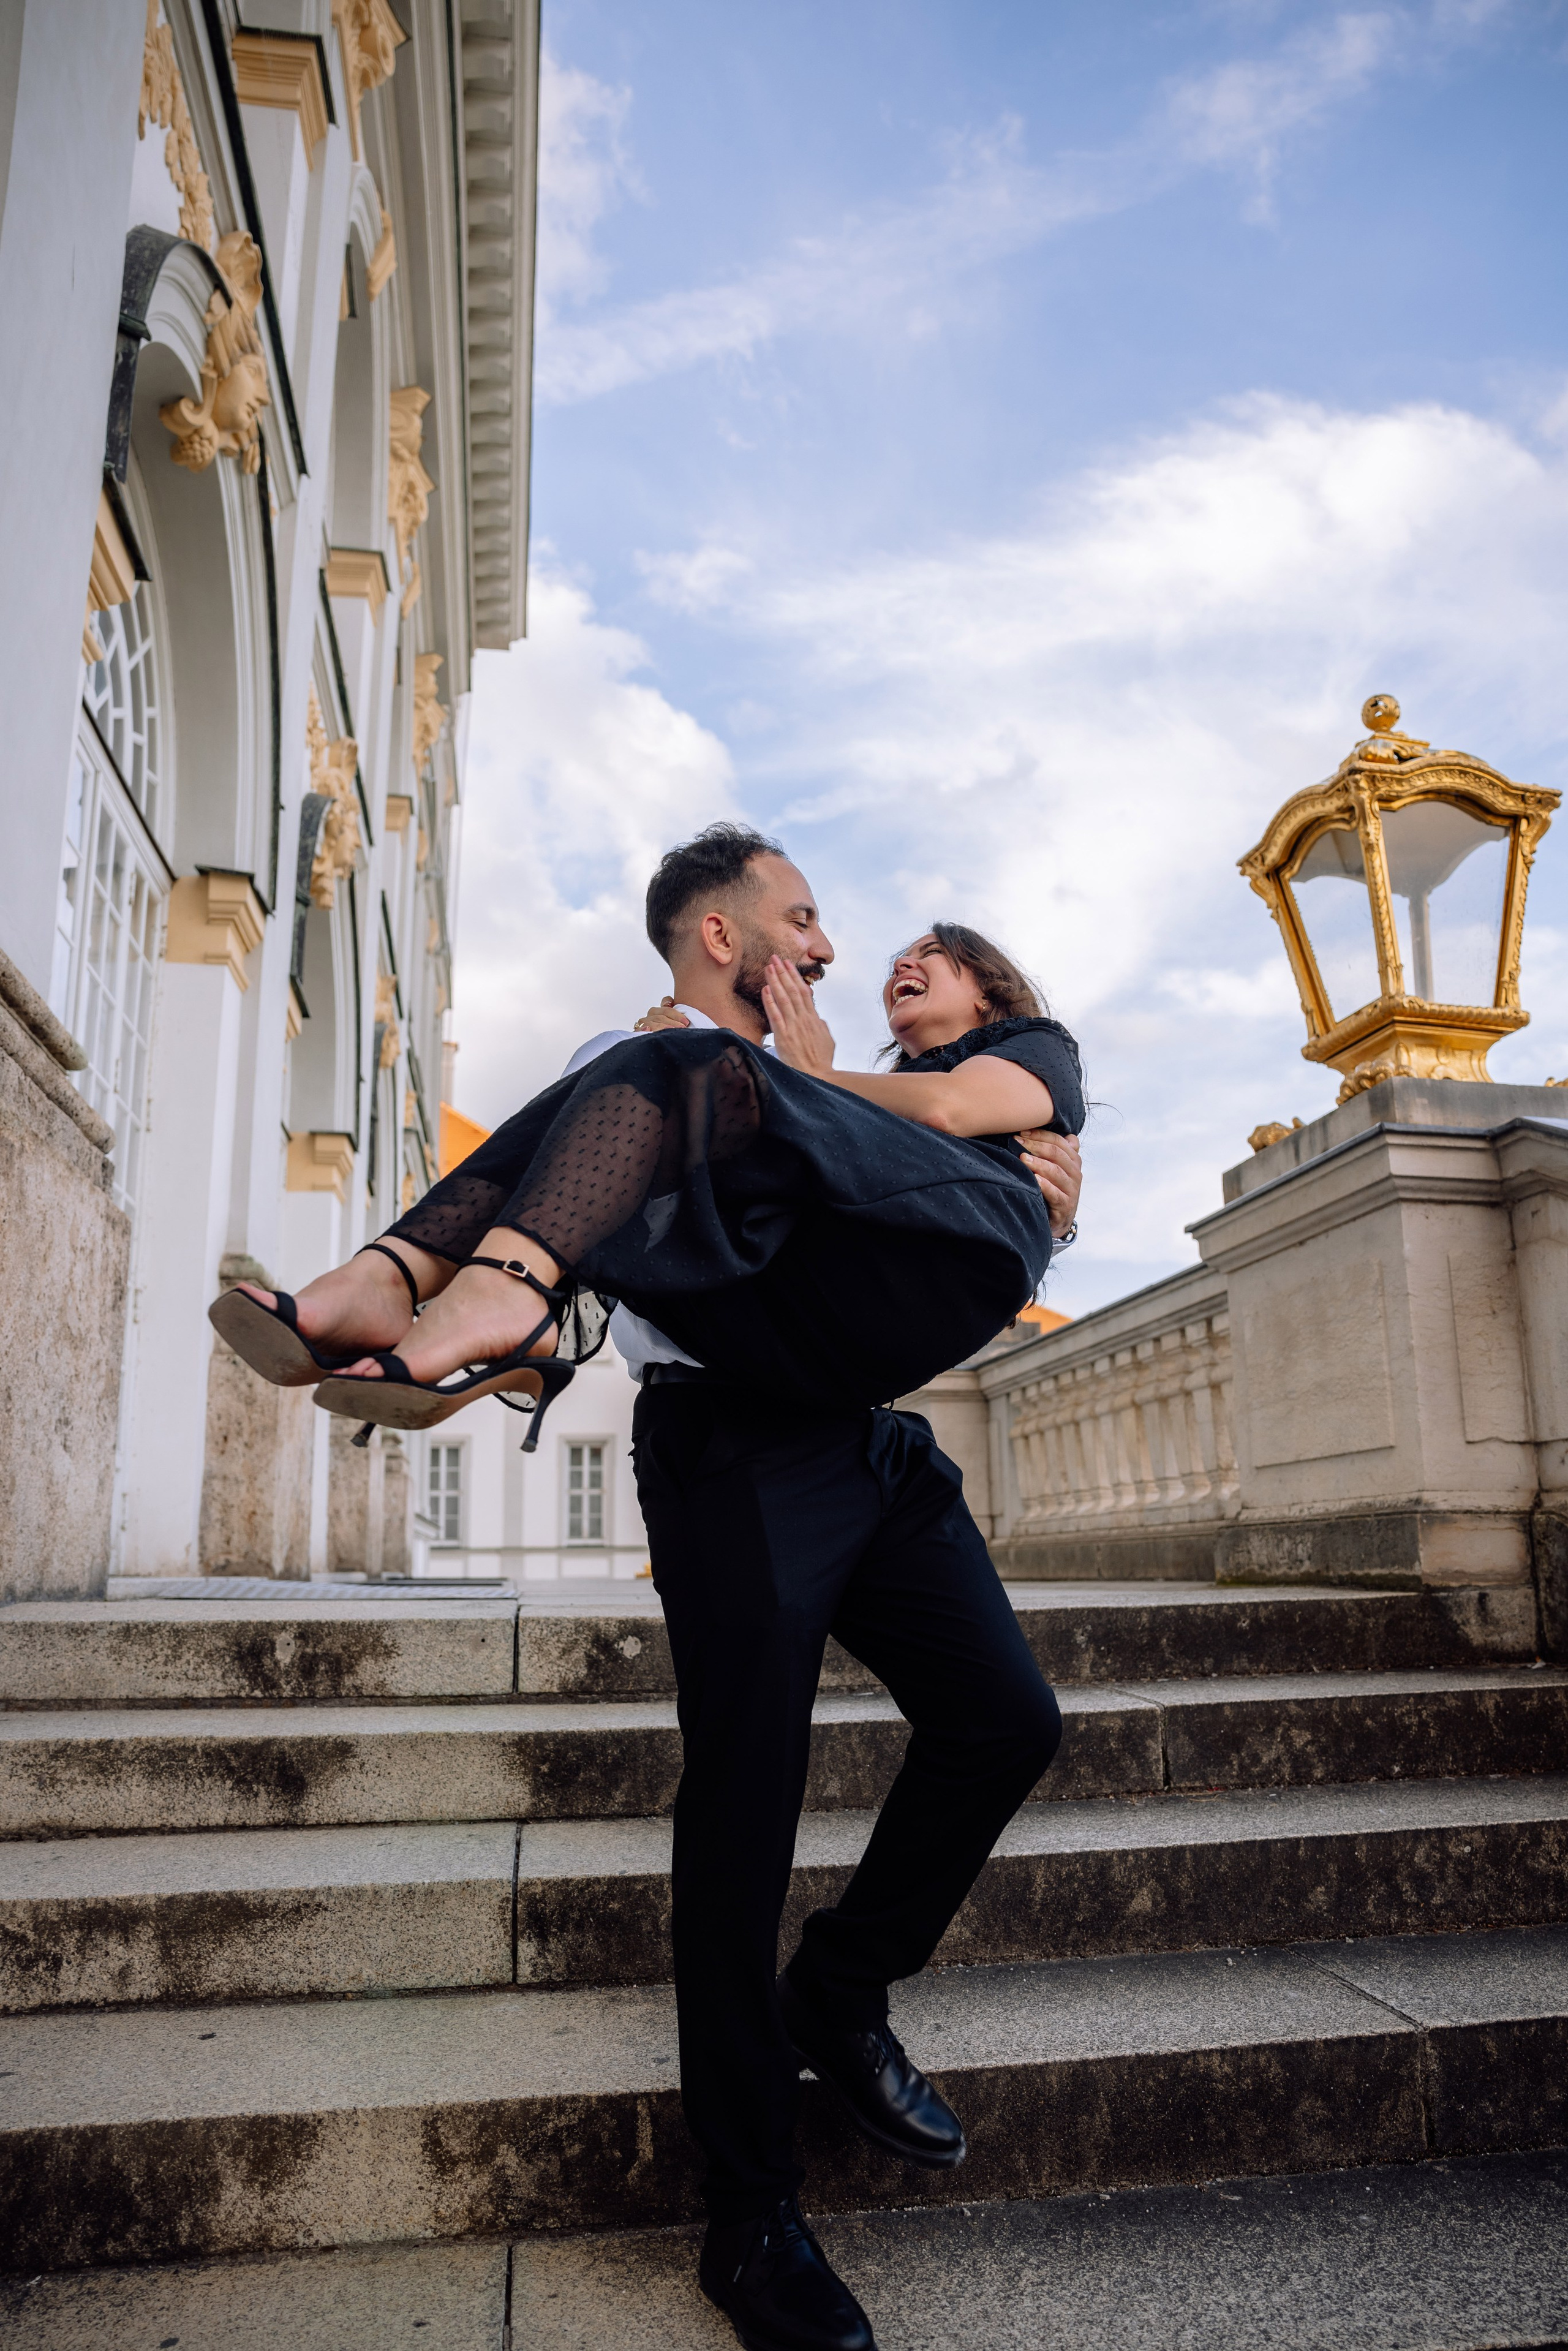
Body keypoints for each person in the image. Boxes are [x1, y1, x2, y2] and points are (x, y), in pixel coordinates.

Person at [211, 825, 1084, 2351]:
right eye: (803, 919)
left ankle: (841, 1987)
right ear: (722, 935)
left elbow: (933, 1180)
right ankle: (749, 2213)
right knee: (741, 1810)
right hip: (736, 1450)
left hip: (868, 1446)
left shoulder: (848, 1068)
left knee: (1006, 1719)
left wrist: (1009, 1191)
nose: (831, 945)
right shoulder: (643, 1062)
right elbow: (652, 1252)